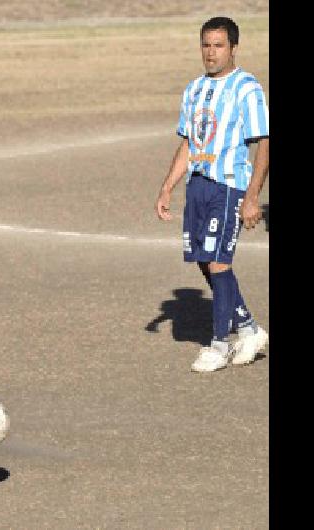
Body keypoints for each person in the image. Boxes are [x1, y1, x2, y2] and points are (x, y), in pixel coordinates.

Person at [154, 16, 269, 373]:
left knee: (219, 263)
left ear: (233, 47)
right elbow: (189, 142)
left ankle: (220, 344)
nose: (211, 52)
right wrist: (168, 186)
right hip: (199, 186)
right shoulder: (193, 89)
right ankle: (249, 328)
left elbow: (263, 143)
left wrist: (252, 197)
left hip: (230, 185)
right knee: (205, 260)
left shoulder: (246, 88)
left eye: (218, 45)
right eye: (206, 45)